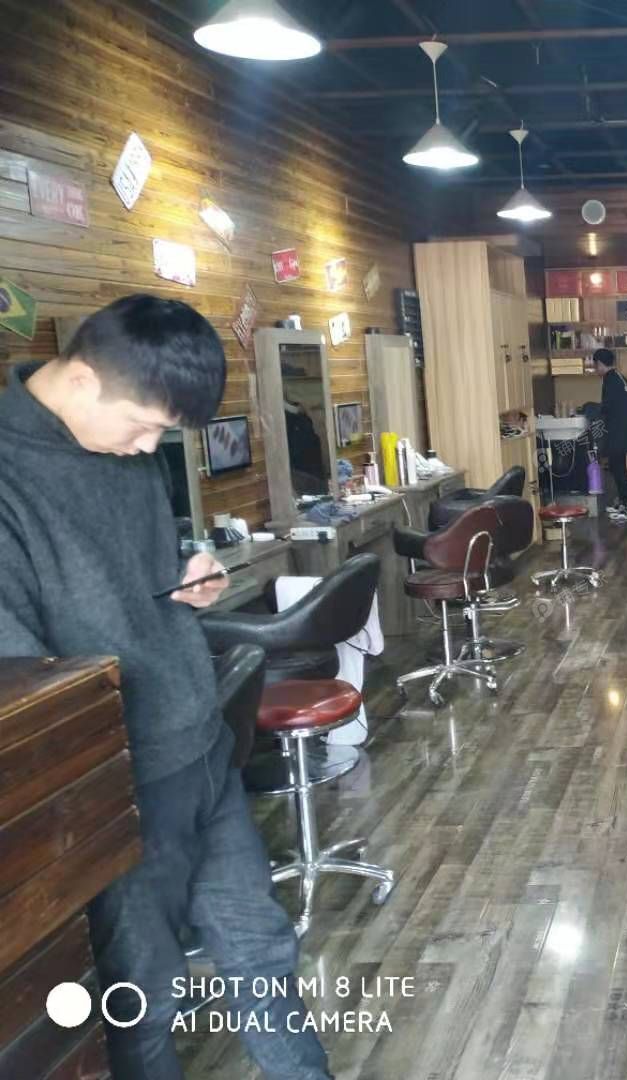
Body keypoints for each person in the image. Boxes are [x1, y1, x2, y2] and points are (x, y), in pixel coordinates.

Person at [0, 295, 331, 1080]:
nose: (149, 447)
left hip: (203, 743)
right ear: (82, 379)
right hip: (118, 782)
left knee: (262, 950)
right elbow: (21, 679)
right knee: (143, 998)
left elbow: (151, 567)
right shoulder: (11, 480)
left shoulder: (123, 444)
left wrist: (193, 571)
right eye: (142, 426)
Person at [595, 348, 627, 520]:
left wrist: (591, 409)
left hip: (617, 433)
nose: (596, 369)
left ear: (600, 364)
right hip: (624, 431)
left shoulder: (610, 380)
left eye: (596, 365)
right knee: (618, 467)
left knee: (618, 469)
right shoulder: (620, 377)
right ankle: (623, 502)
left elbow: (607, 407)